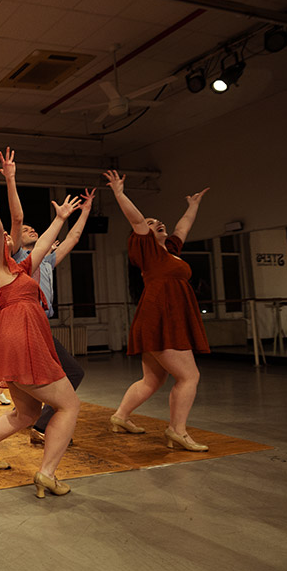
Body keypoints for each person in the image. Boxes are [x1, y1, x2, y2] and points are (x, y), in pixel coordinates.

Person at [0, 157, 81, 499]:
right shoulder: (2, 267)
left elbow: (45, 241)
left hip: (14, 337)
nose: (10, 236)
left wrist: (61, 219)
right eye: (4, 238)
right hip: (22, 337)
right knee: (69, 405)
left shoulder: (22, 269)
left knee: (27, 412)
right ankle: (47, 473)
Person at [103, 169, 211, 451]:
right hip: (160, 317)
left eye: (158, 221)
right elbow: (136, 219)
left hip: (163, 317)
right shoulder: (146, 250)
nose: (156, 223)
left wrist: (193, 206)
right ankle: (177, 431)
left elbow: (183, 228)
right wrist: (119, 193)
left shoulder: (171, 250)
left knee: (152, 379)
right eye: (152, 224)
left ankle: (120, 416)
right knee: (189, 376)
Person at [0, 147, 95, 446]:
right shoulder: (17, 257)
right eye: (25, 230)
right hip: (26, 323)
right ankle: (39, 424)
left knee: (70, 374)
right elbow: (16, 217)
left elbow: (74, 239)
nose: (29, 229)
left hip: (41, 323)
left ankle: (36, 422)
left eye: (32, 229)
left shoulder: (47, 259)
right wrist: (11, 179)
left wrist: (86, 211)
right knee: (70, 374)